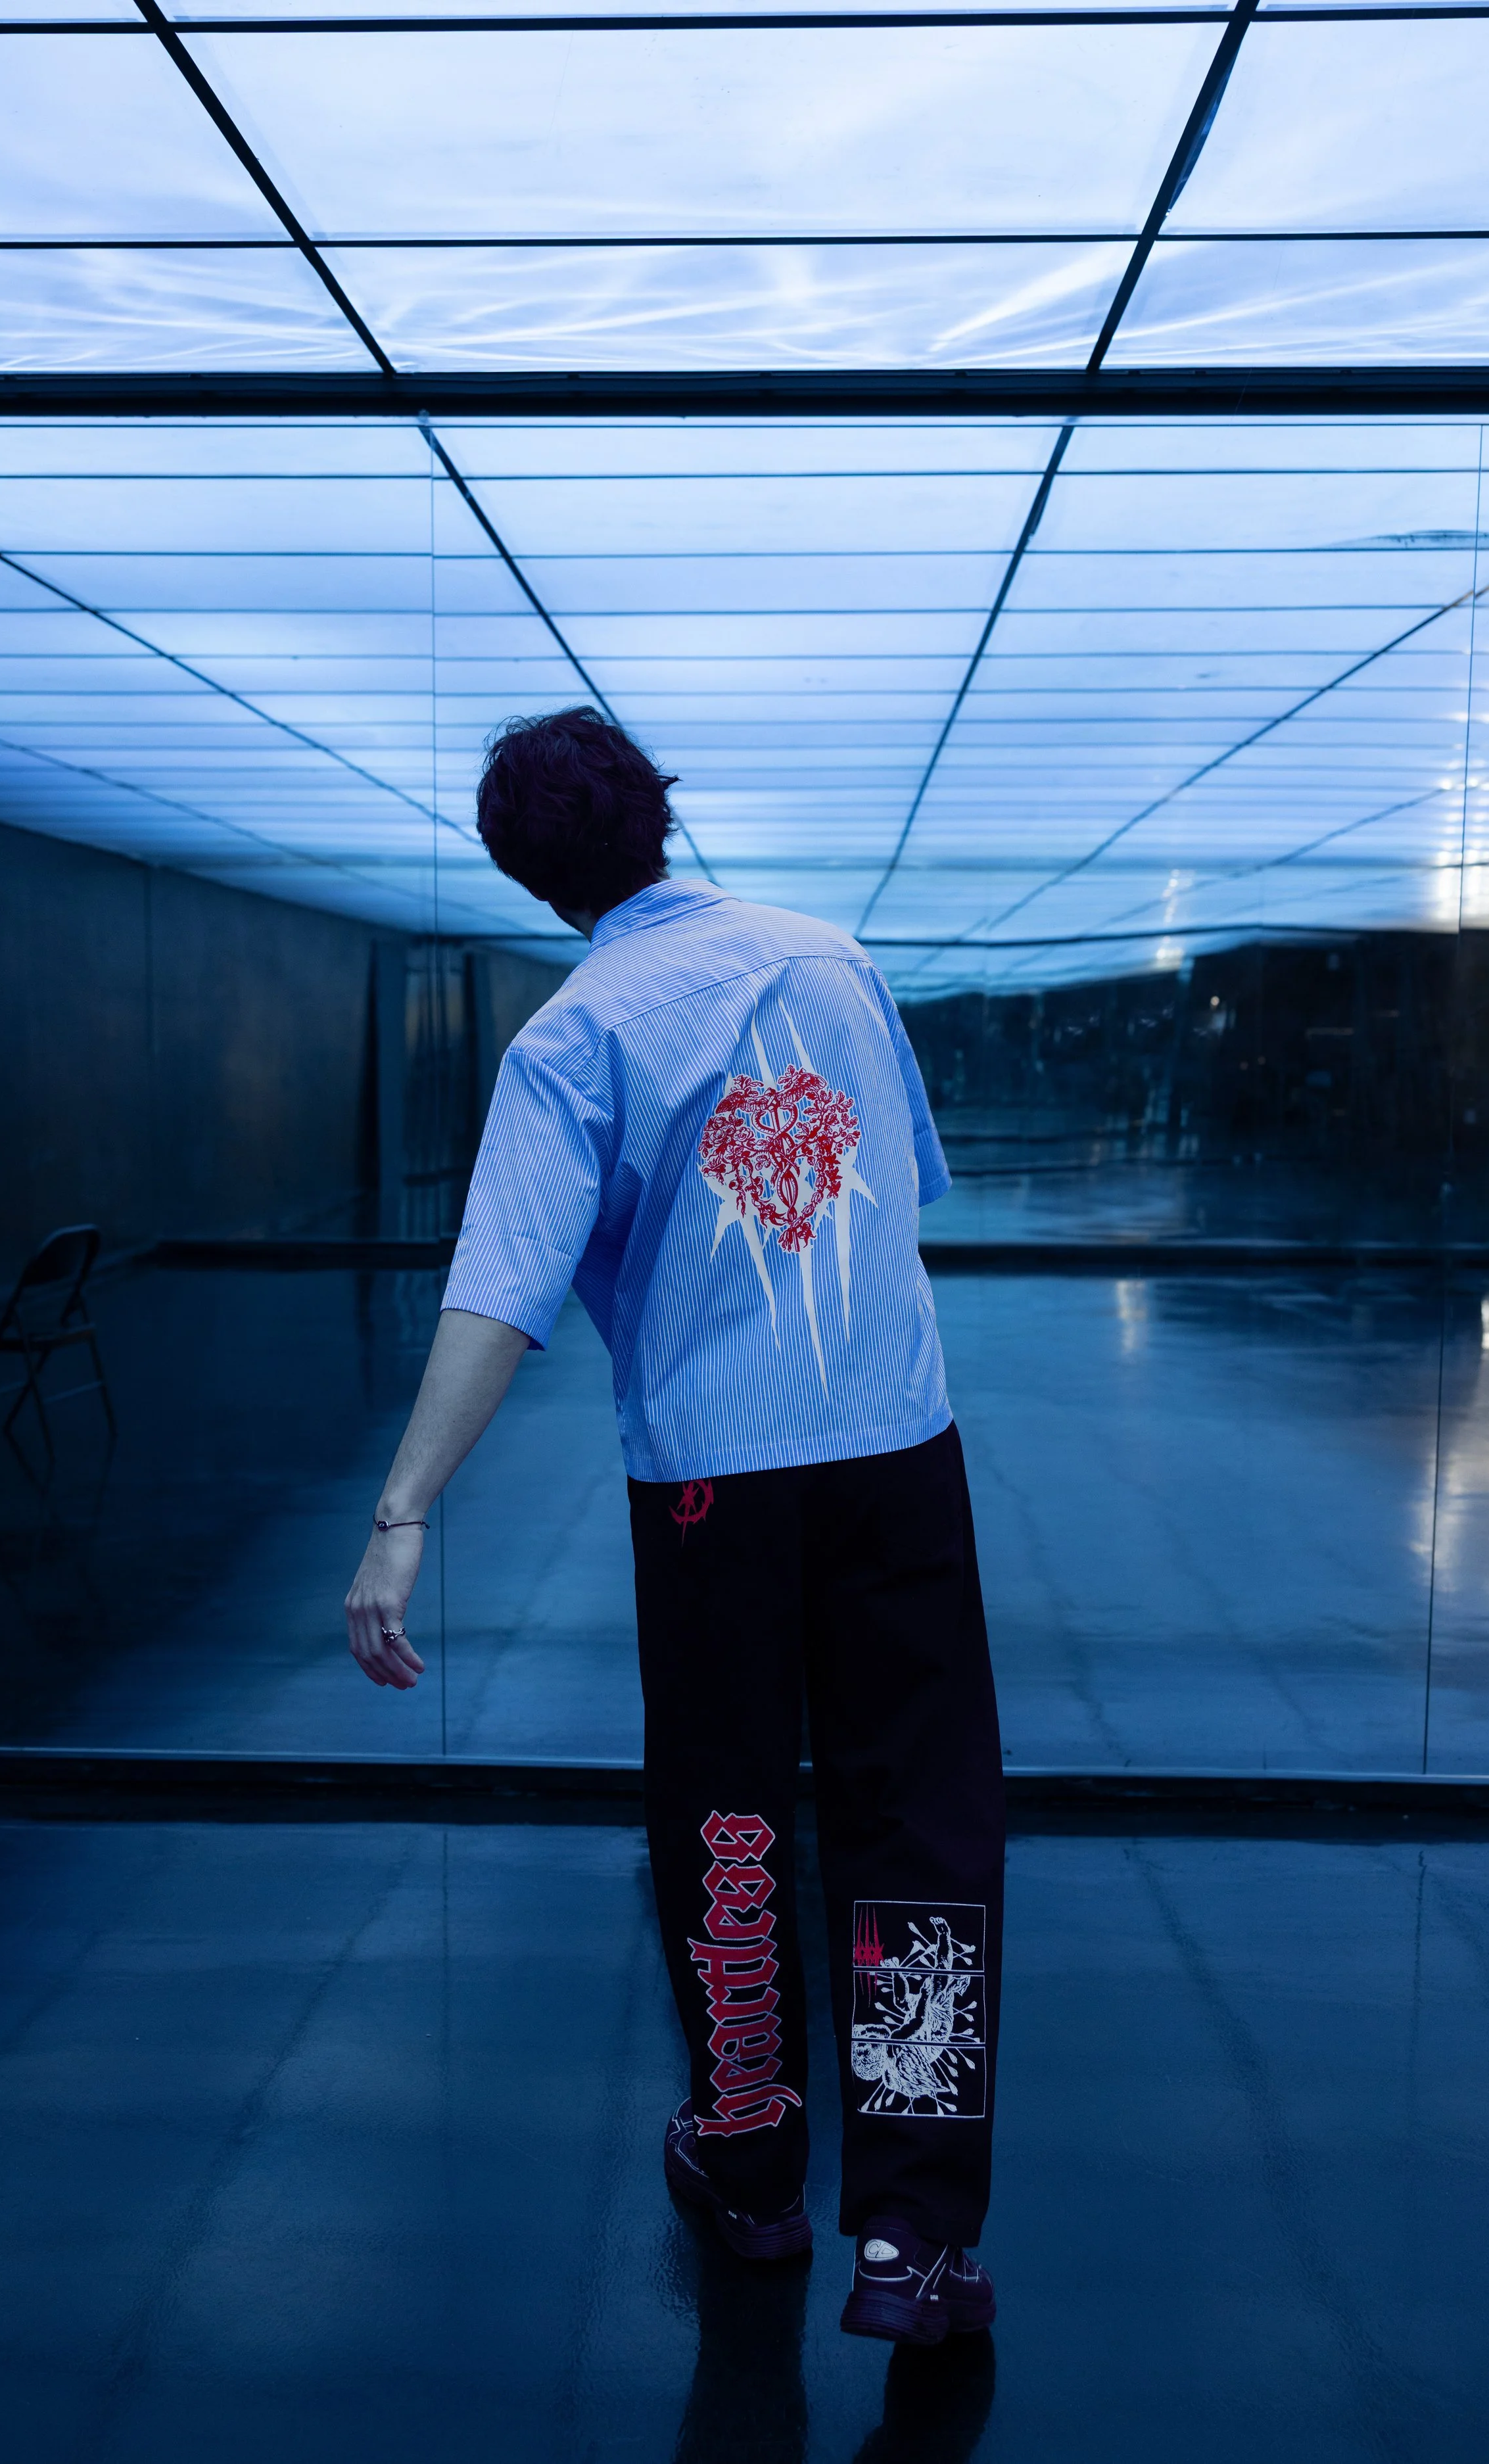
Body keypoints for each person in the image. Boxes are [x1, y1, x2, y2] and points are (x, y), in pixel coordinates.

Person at [344, 707, 1004, 2346]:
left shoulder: (573, 1037)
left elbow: (498, 1291)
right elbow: (899, 1182)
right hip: (894, 1449)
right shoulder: (832, 960)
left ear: (526, 873)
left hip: (711, 1478)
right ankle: (913, 2243)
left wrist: (401, 1510)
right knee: (914, 1820)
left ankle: (754, 2167)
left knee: (727, 1813)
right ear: (658, 814)